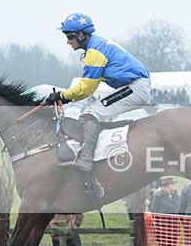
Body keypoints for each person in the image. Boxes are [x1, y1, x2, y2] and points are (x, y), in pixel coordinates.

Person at [45, 12, 151, 173]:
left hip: (136, 87)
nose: (67, 42)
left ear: (80, 34)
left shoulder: (95, 52)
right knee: (91, 112)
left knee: (91, 112)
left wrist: (62, 96)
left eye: (69, 36)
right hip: (134, 86)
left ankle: (86, 160)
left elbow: (86, 89)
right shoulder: (95, 45)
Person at [149, 176, 181, 246]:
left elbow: (179, 209)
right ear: (164, 187)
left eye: (172, 185)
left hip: (174, 226)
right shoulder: (158, 197)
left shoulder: (176, 197)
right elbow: (153, 211)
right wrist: (158, 224)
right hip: (162, 226)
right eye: (169, 185)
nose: (172, 187)